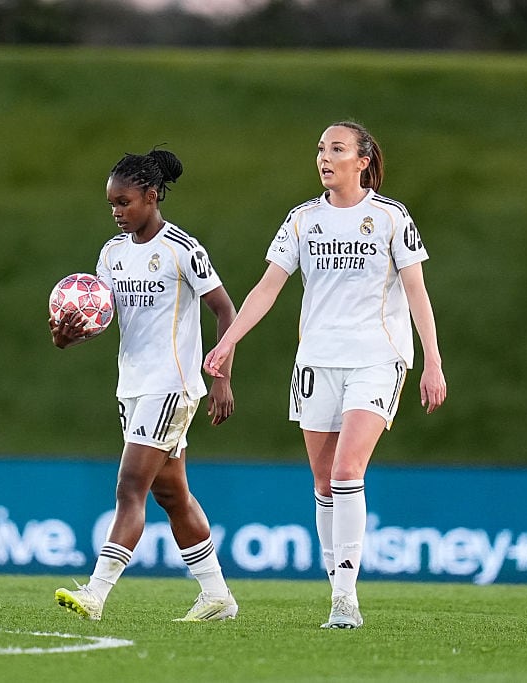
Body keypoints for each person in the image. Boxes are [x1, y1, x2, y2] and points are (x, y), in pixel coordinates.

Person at [203, 121, 447, 628]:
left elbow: (416, 291)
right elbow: (268, 286)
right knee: (322, 480)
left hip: (377, 358)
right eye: (320, 149)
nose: (324, 157)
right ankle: (336, 585)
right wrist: (228, 342)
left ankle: (345, 598)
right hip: (316, 360)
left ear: (362, 161)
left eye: (337, 149)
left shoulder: (390, 217)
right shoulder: (303, 220)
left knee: (346, 471)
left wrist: (433, 361)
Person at [51, 149, 239, 622]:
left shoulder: (182, 249)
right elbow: (98, 314)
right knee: (171, 494)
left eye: (124, 202)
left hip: (172, 385)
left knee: (130, 486)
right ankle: (217, 596)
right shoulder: (112, 254)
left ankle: (95, 594)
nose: (117, 212)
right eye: (112, 204)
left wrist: (220, 377)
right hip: (132, 387)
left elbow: (225, 310)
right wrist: (68, 335)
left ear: (152, 196)